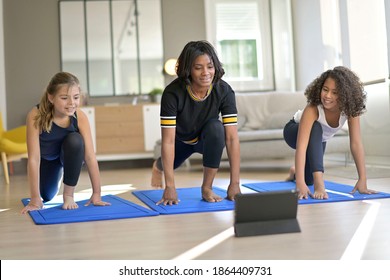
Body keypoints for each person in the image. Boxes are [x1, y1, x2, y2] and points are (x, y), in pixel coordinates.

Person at [151, 40, 241, 206]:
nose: (205, 72)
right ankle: (157, 166)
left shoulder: (224, 91)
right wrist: (170, 186)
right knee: (166, 164)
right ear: (188, 70)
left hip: (207, 139)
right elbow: (168, 141)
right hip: (181, 141)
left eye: (210, 66)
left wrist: (235, 183)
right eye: (198, 67)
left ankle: (207, 187)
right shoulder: (172, 93)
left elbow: (232, 138)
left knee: (216, 128)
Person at [21, 72, 111, 213]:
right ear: (51, 97)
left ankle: (68, 195)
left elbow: (89, 156)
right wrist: (35, 198)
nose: (71, 103)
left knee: (75, 140)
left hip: (69, 155)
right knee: (47, 196)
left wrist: (96, 194)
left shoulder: (79, 117)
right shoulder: (36, 115)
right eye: (64, 98)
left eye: (76, 97)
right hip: (48, 162)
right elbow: (34, 159)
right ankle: (59, 174)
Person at [283, 66, 377, 200]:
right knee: (316, 128)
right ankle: (319, 184)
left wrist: (362, 179)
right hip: (293, 131)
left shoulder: (350, 109)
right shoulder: (313, 109)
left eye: (335, 92)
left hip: (318, 139)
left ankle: (294, 172)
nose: (327, 96)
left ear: (345, 95)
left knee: (308, 179)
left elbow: (356, 143)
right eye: (325, 90)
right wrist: (300, 183)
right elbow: (302, 147)